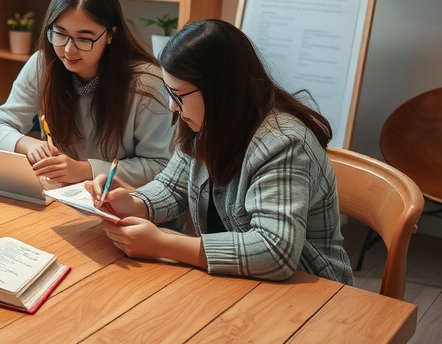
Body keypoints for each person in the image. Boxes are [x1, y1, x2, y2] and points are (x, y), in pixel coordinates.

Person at [88, 19, 353, 284]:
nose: (172, 107)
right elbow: (171, 187)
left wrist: (164, 244)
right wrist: (133, 204)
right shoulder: (208, 123)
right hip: (240, 281)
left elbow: (274, 251)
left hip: (312, 292)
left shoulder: (283, 143)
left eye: (178, 94)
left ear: (219, 90)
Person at [0, 0, 174, 187]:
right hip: (64, 197)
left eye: (84, 38)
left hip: (124, 203)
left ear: (111, 34)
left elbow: (161, 166)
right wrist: (27, 144)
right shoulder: (42, 65)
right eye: (60, 33)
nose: (68, 49)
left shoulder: (147, 84)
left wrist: (85, 170)